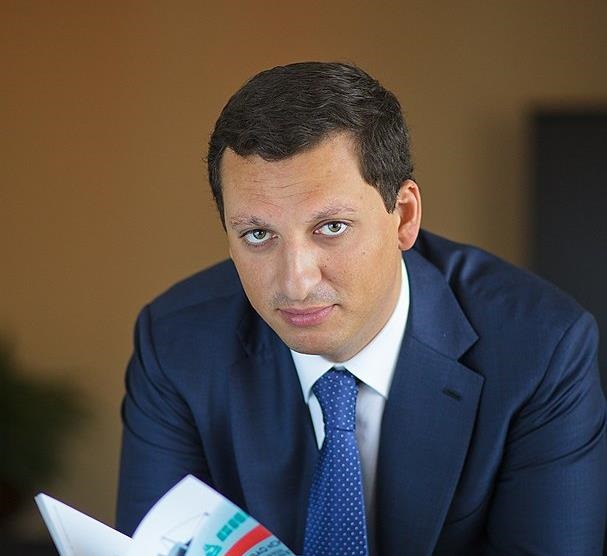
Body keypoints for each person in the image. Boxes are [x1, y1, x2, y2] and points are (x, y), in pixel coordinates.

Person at [116, 62, 607, 555]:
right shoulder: (176, 345)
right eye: (258, 234)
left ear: (404, 217)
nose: (296, 283)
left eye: (331, 227)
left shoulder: (541, 349)